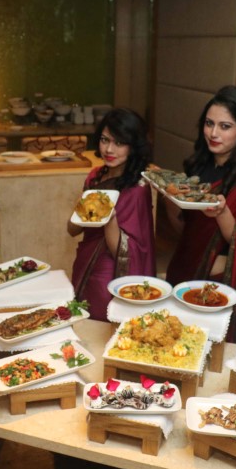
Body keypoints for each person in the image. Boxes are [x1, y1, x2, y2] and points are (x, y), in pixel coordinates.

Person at [164, 86, 236, 343]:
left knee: (203, 346)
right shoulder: (200, 165)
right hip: (184, 267)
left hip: (214, 284)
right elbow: (184, 229)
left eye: (225, 126)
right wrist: (168, 198)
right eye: (209, 123)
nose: (213, 133)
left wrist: (222, 212)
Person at [68, 108, 156, 320]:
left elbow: (127, 252)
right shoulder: (95, 177)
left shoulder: (137, 188)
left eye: (119, 143)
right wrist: (86, 208)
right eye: (104, 140)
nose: (109, 149)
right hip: (85, 262)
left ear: (133, 146)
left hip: (111, 272)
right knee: (82, 321)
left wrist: (110, 218)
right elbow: (72, 229)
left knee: (104, 323)